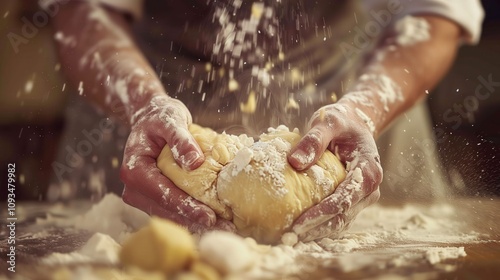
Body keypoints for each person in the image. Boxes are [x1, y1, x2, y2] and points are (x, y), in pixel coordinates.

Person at [45, 0, 484, 241]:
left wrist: (364, 109)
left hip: (352, 105)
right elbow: (82, 12)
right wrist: (142, 104)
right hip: (144, 109)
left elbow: (432, 13)